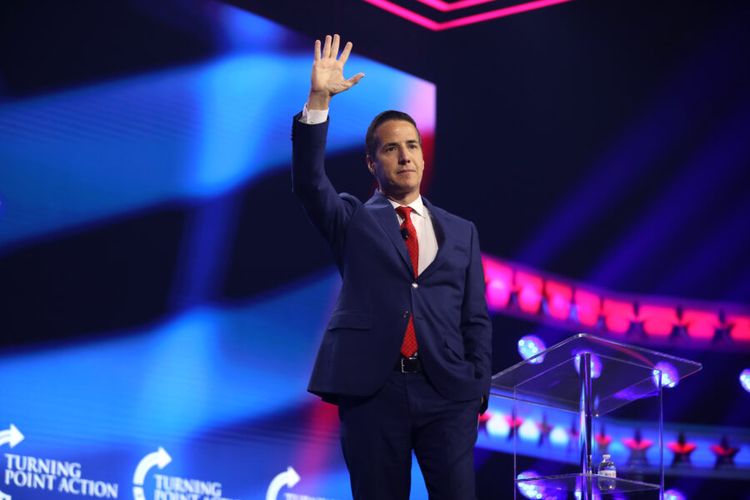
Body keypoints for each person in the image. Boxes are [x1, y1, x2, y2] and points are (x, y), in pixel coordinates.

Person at [292, 34, 492, 499]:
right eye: (391, 149)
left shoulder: (461, 231)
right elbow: (309, 183)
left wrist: (476, 386)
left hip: (448, 393)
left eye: (413, 145)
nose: (405, 156)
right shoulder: (352, 218)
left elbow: (476, 318)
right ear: (371, 163)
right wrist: (319, 100)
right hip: (373, 390)